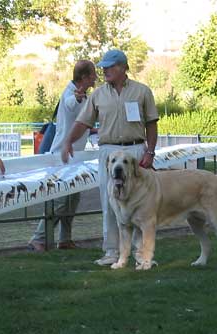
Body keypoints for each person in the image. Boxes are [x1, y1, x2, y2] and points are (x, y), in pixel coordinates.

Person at [61, 49, 159, 266]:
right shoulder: (97, 95)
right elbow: (83, 122)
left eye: (109, 66)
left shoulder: (142, 92)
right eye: (103, 66)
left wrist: (150, 152)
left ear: (123, 67)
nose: (104, 70)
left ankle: (141, 254)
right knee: (110, 202)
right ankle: (112, 252)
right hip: (108, 153)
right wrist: (68, 141)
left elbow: (152, 123)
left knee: (140, 203)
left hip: (135, 151)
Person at [28, 60, 98, 252]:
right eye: (92, 75)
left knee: (72, 200)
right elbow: (70, 105)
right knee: (61, 202)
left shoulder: (80, 95)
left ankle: (65, 239)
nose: (95, 78)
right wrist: (77, 98)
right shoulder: (72, 95)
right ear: (84, 78)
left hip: (74, 157)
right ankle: (38, 238)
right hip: (64, 156)